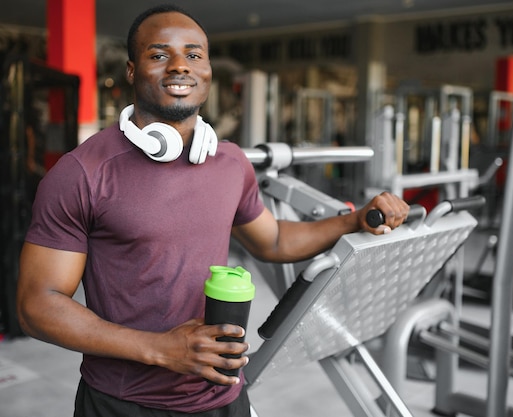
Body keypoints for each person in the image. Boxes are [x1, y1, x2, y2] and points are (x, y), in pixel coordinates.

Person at [16, 4, 409, 417]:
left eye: (193, 54)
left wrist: (353, 219)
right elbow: (37, 304)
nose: (180, 66)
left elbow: (273, 239)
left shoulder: (230, 162)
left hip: (223, 396)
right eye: (159, 55)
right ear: (131, 71)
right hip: (123, 403)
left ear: (207, 70)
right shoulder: (82, 173)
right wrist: (161, 349)